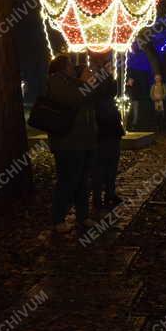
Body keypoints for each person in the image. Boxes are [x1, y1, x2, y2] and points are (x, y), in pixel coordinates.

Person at [45, 55, 101, 234]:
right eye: (70, 64)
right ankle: (58, 219)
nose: (73, 66)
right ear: (61, 68)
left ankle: (82, 216)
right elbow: (73, 100)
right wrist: (84, 83)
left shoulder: (74, 82)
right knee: (67, 181)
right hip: (67, 142)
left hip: (84, 141)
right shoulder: (56, 82)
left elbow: (92, 98)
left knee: (83, 181)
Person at [92, 59, 124, 209]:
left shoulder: (100, 97)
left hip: (106, 132)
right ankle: (104, 194)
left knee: (105, 165)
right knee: (106, 164)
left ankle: (104, 194)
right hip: (106, 132)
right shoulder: (102, 98)